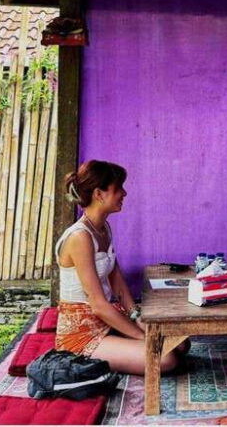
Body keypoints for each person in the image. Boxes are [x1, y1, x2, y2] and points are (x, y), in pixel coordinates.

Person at [55, 160, 184, 374]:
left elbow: (116, 279)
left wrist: (136, 315)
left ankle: (128, 344)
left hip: (107, 320)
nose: (124, 193)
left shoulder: (102, 227)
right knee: (165, 358)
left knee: (181, 344)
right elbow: (97, 305)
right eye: (118, 189)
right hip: (81, 333)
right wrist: (143, 336)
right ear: (99, 194)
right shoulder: (80, 237)